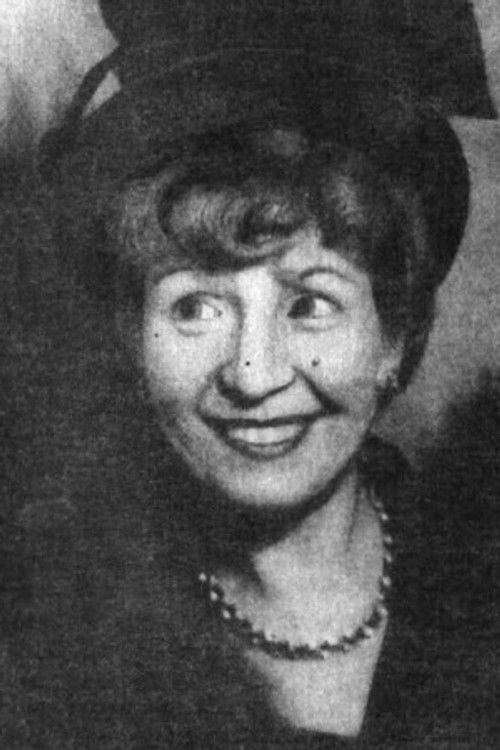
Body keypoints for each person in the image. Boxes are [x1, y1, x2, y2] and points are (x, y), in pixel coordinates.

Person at [1, 36, 497, 749]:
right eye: (195, 308)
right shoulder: (49, 656)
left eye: (310, 304)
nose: (254, 375)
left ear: (393, 339)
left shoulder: (481, 577)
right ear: (132, 345)